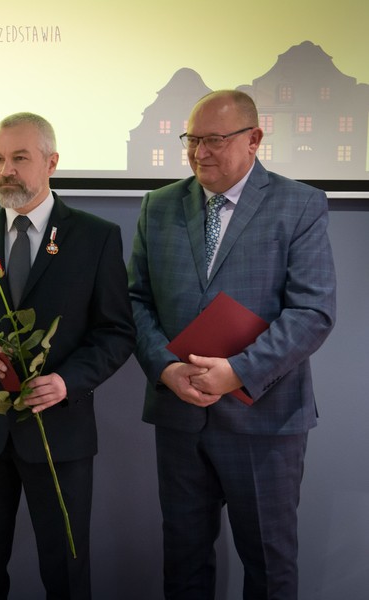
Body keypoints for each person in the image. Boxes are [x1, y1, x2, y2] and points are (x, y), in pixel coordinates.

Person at [127, 90, 336, 599]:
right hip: (180, 415)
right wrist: (165, 369)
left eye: (215, 140)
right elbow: (134, 302)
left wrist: (239, 371)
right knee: (183, 565)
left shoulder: (300, 204)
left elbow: (313, 312)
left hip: (264, 419)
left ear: (254, 139)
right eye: (193, 140)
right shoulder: (158, 206)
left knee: (269, 567)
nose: (201, 152)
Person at [0, 113, 136, 599]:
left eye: (20, 158)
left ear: (52, 163)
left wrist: (68, 381)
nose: (6, 171)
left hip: (58, 428)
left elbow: (117, 331)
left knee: (66, 571)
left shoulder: (94, 236)